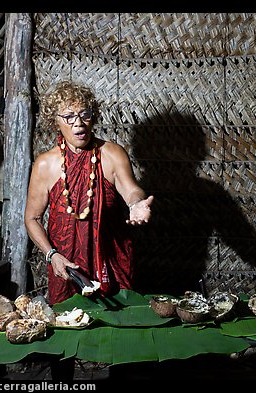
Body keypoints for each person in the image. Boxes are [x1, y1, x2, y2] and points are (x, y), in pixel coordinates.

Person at [24, 80, 153, 305]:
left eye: (85, 114)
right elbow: (32, 218)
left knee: (120, 325)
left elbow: (130, 189)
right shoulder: (45, 164)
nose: (79, 123)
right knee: (69, 325)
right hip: (65, 266)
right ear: (55, 121)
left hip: (111, 261)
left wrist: (136, 204)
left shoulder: (112, 154)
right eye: (69, 116)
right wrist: (52, 256)